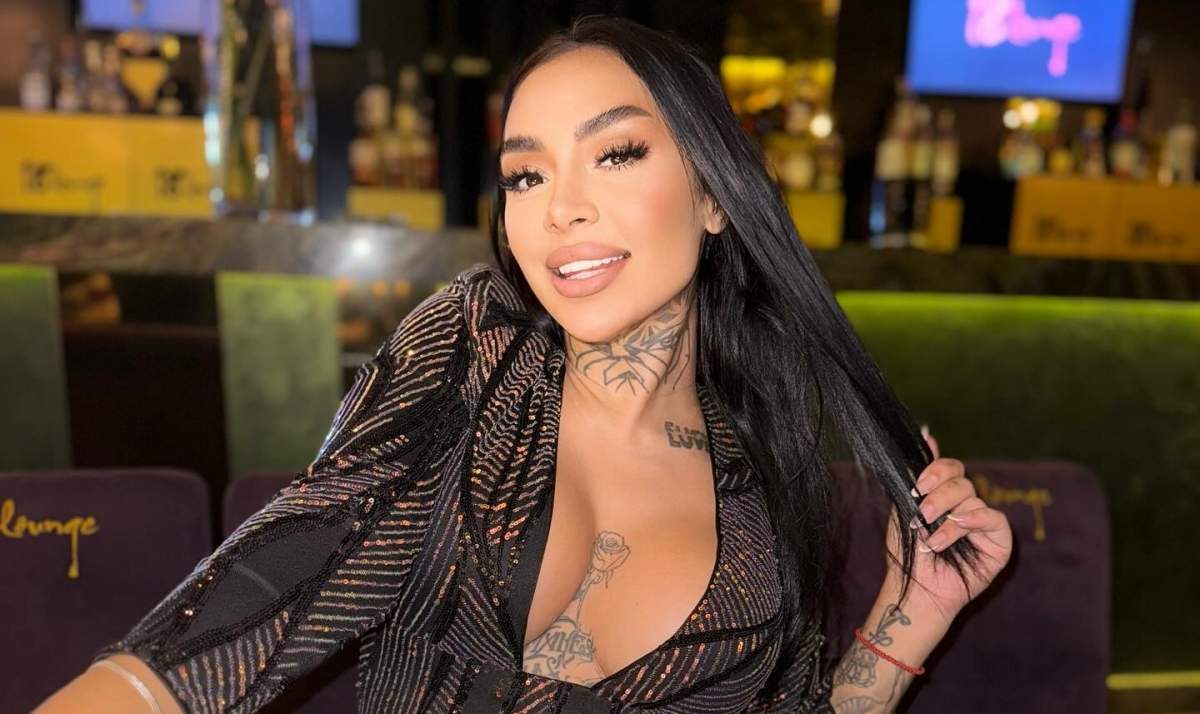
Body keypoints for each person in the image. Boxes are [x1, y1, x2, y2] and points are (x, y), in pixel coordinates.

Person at [36, 15, 1012, 714]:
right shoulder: (478, 347)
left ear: (715, 196)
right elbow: (270, 584)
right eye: (526, 173)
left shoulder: (761, 471)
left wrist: (909, 620)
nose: (560, 208)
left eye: (615, 155)